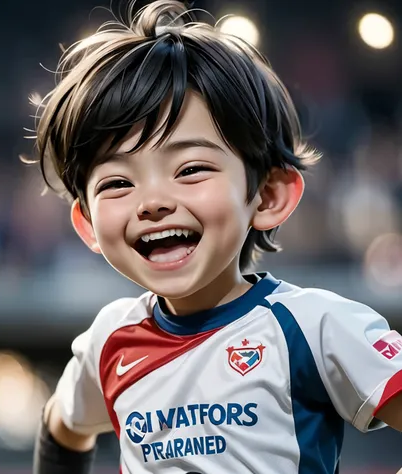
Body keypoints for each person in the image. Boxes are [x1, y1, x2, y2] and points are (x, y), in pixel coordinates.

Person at [30, 1, 402, 473]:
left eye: (190, 169)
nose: (152, 202)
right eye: (118, 183)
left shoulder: (313, 327)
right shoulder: (108, 339)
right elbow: (62, 427)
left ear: (267, 196)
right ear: (86, 224)